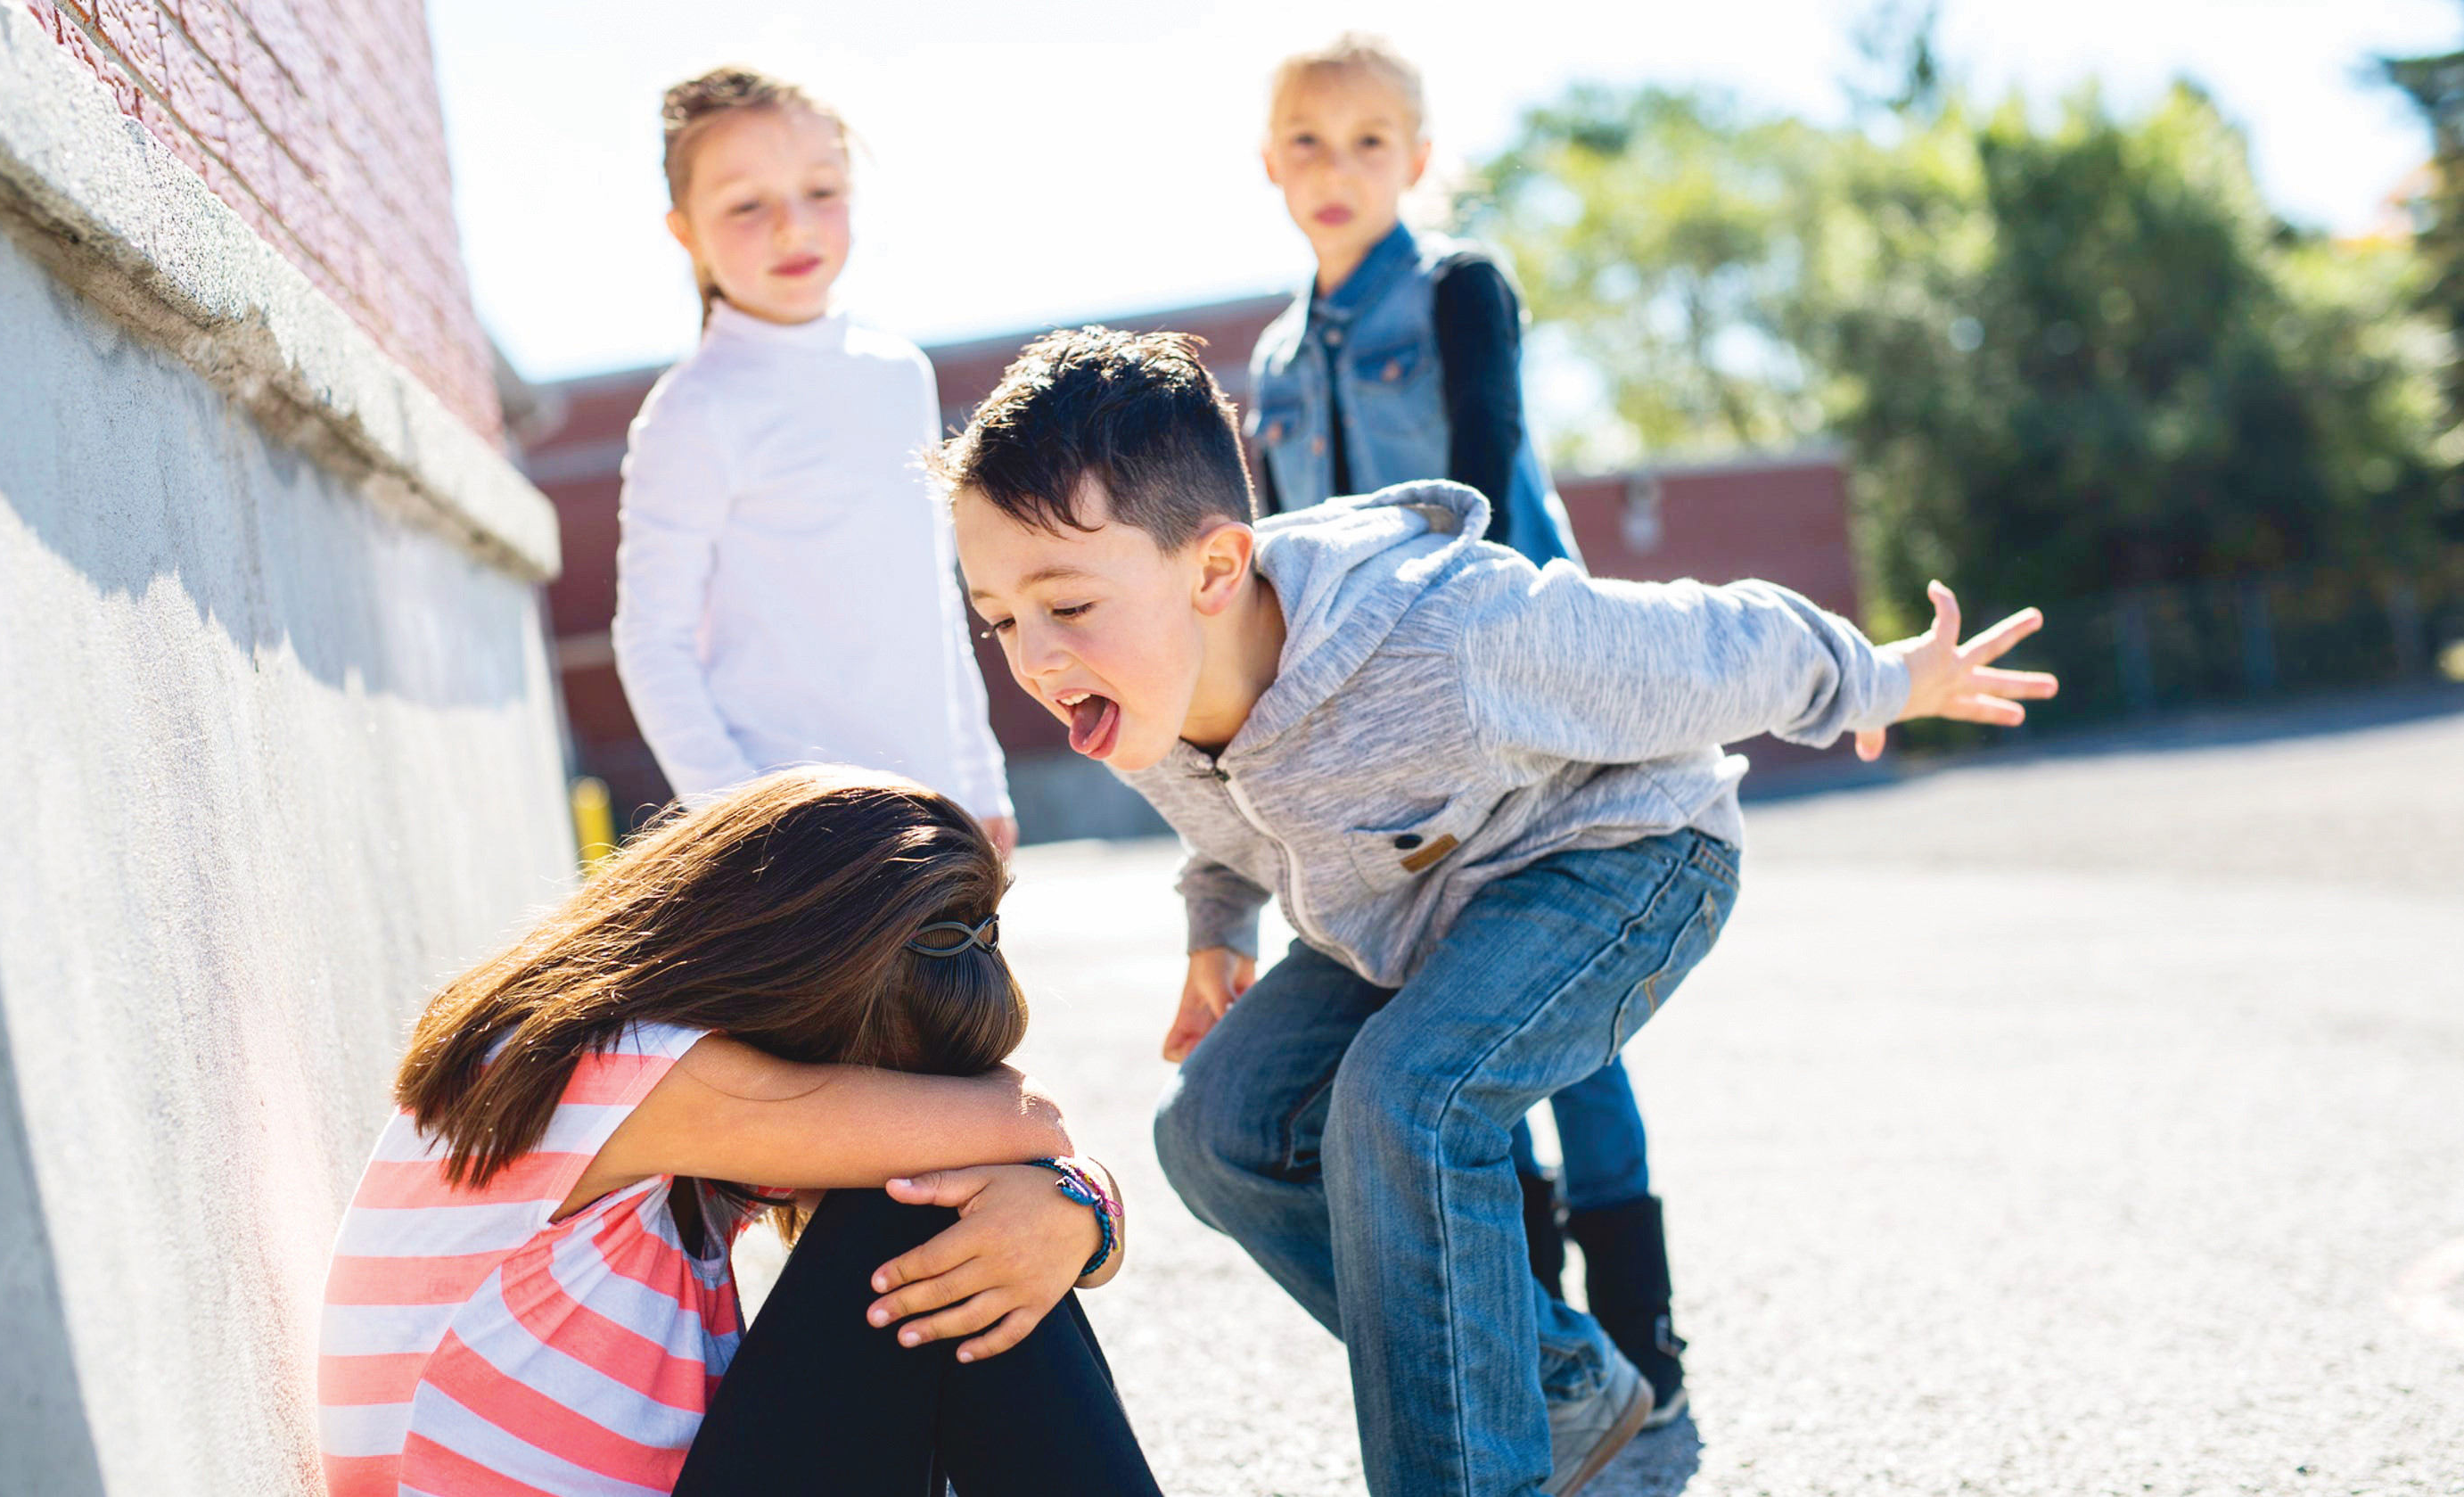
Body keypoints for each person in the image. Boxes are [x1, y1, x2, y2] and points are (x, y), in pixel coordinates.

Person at [939, 328, 2057, 1496]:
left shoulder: (1449, 635)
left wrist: (1883, 681)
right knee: (1214, 1128)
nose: (1036, 655)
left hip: (1621, 857)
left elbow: (1712, 642)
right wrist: (1217, 924)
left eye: (1064, 601)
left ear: (1216, 570)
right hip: (1407, 905)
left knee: (1405, 1099)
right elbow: (1223, 821)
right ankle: (1557, 1382)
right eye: (998, 617)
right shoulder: (1130, 687)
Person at [315, 767, 1163, 1497]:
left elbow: (1029, 1152)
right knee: (921, 1208)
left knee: (966, 1235)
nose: (873, 1107)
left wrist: (1075, 1208)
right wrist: (1065, 1188)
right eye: (875, 1079)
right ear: (792, 985)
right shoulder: (614, 1065)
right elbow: (1033, 1124)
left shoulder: (646, 1094)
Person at [1243, 33, 1676, 1421]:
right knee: (1450, 1015)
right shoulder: (1270, 355)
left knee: (1567, 1028)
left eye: (1371, 141)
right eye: (1308, 140)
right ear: (1269, 162)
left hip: (1522, 700)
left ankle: (1644, 1343)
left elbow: (1485, 468)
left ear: (1418, 161)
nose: (1337, 167)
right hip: (1378, 739)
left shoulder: (1456, 289)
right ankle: (1546, 1355)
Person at [613, 68, 1014, 854]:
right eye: (745, 204)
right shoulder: (693, 409)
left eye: (820, 191)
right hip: (797, 846)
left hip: (936, 816)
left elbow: (934, 602)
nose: (792, 227)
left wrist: (980, 780)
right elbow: (650, 640)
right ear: (684, 230)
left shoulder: (899, 373)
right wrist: (742, 819)